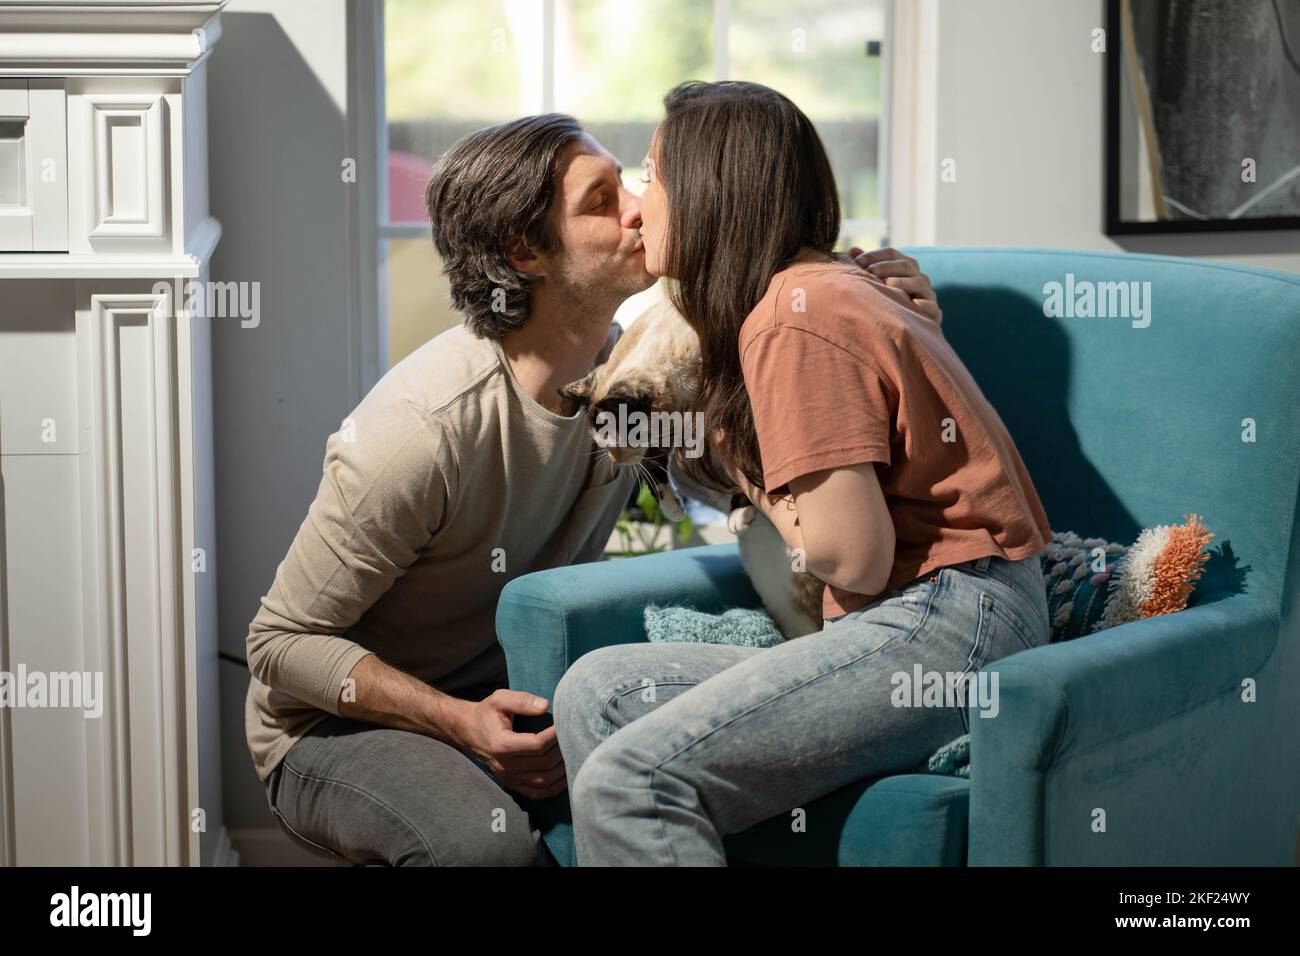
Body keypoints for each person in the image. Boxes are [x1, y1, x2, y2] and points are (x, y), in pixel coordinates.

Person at [244, 111, 941, 866]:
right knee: (493, 854)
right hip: (333, 729)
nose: (641, 207)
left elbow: (745, 475)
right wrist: (456, 719)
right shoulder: (422, 430)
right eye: (602, 201)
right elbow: (279, 645)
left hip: (514, 695)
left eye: (631, 182)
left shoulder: (630, 384)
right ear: (523, 252)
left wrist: (894, 320)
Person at [553, 81, 1054, 866]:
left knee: (632, 780)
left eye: (655, 177)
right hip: (944, 613)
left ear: (718, 194)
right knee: (596, 689)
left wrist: (736, 452)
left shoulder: (792, 318)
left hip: (949, 622)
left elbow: (852, 555)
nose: (639, 206)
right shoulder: (817, 291)